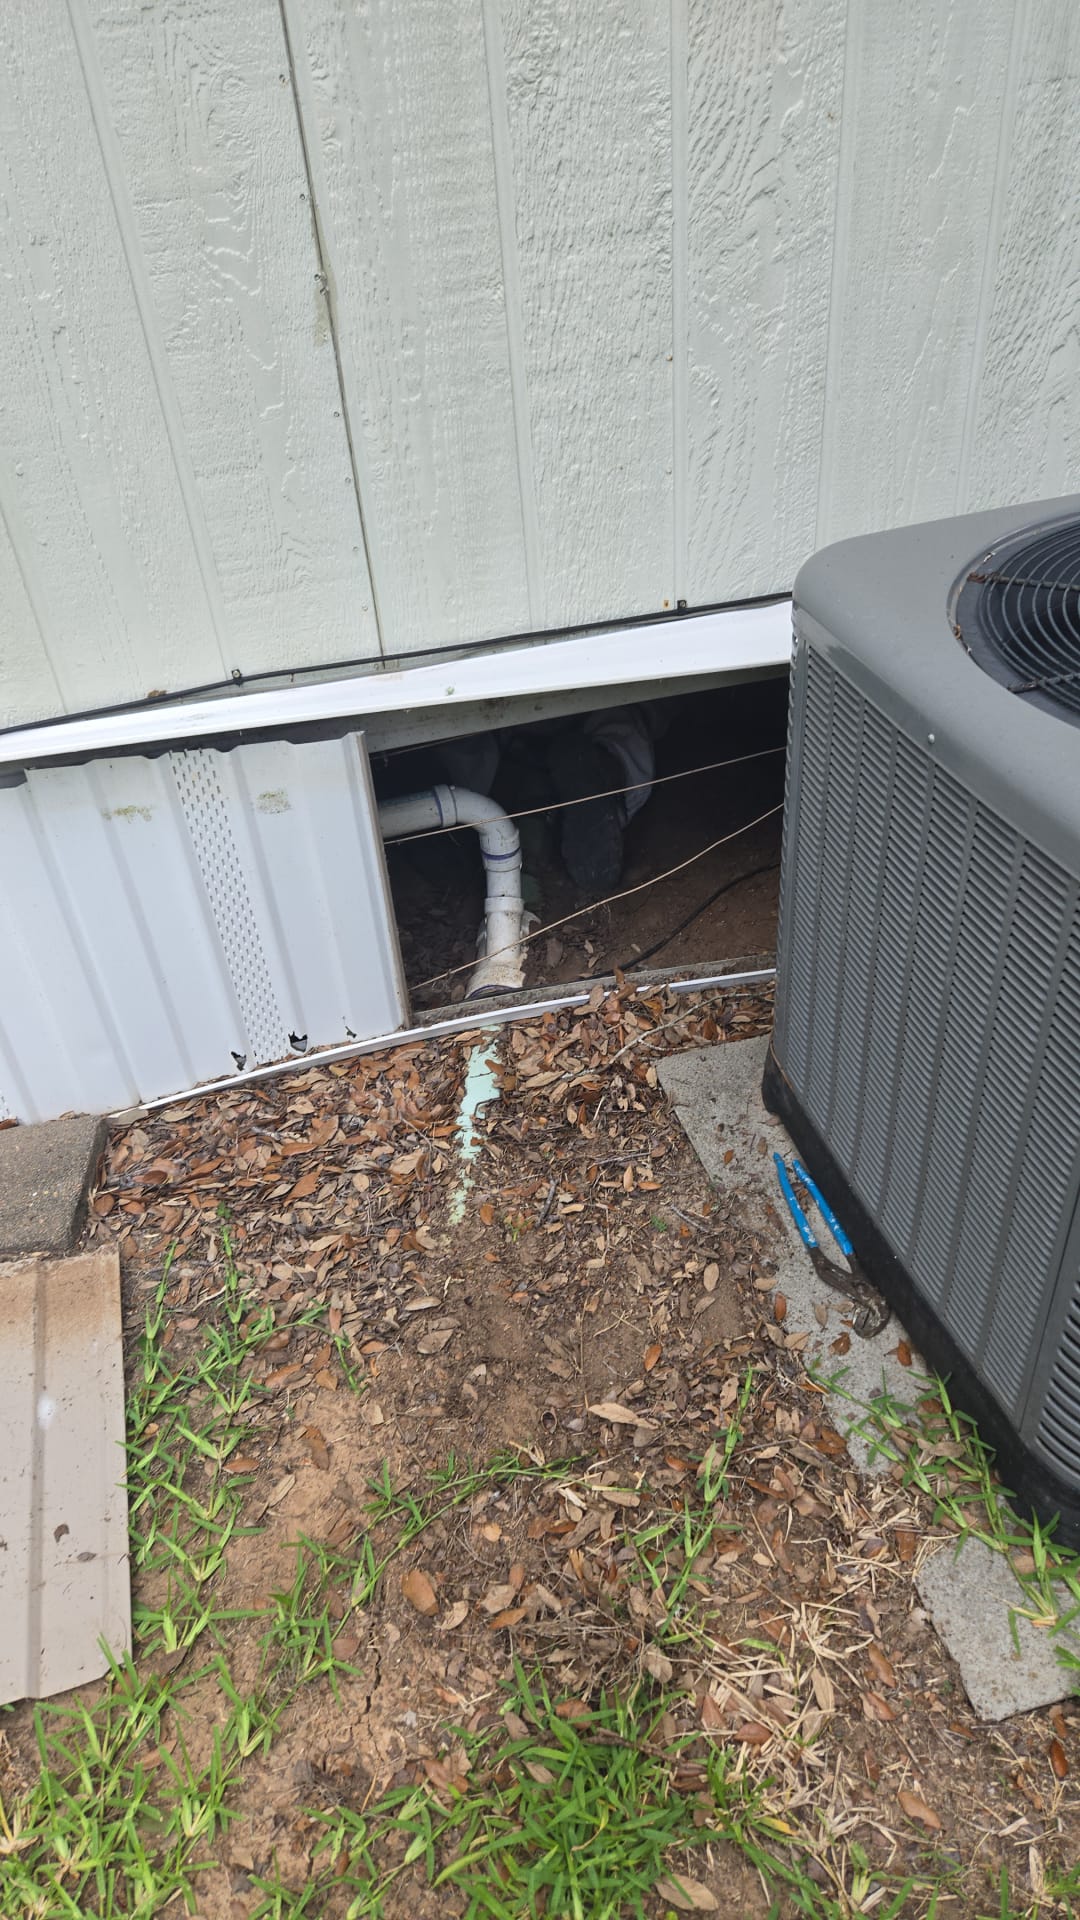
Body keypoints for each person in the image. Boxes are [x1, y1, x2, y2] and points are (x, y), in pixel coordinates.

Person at [439, 705, 658, 895]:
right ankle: (607, 770)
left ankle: (488, 810)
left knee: (460, 729)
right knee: (624, 706)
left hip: (493, 710)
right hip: (584, 690)